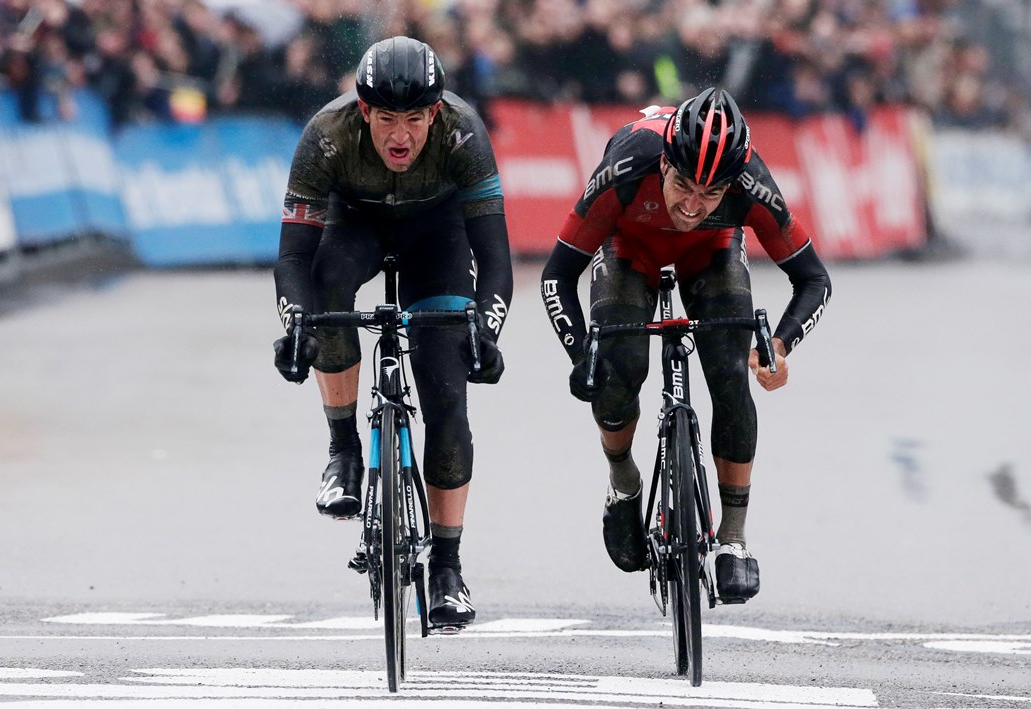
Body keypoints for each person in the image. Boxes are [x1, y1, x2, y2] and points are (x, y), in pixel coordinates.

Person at [539, 87, 831, 603]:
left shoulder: (750, 182)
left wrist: (780, 345)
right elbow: (557, 276)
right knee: (617, 370)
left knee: (729, 375)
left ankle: (734, 540)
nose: (692, 206)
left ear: (731, 186)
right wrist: (580, 353)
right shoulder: (628, 164)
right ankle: (623, 479)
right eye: (682, 187)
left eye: (711, 195)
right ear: (665, 164)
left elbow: (813, 280)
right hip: (630, 249)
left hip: (711, 254)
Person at [272, 36, 513, 627]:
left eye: (413, 119)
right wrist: (295, 324)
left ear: (435, 112)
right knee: (325, 297)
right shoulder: (326, 134)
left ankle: (448, 568)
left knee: (447, 394)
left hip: (439, 234)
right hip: (357, 225)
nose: (400, 136)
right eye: (385, 119)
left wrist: (487, 328)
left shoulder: (463, 133)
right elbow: (292, 259)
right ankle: (344, 451)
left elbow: (497, 262)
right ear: (363, 112)